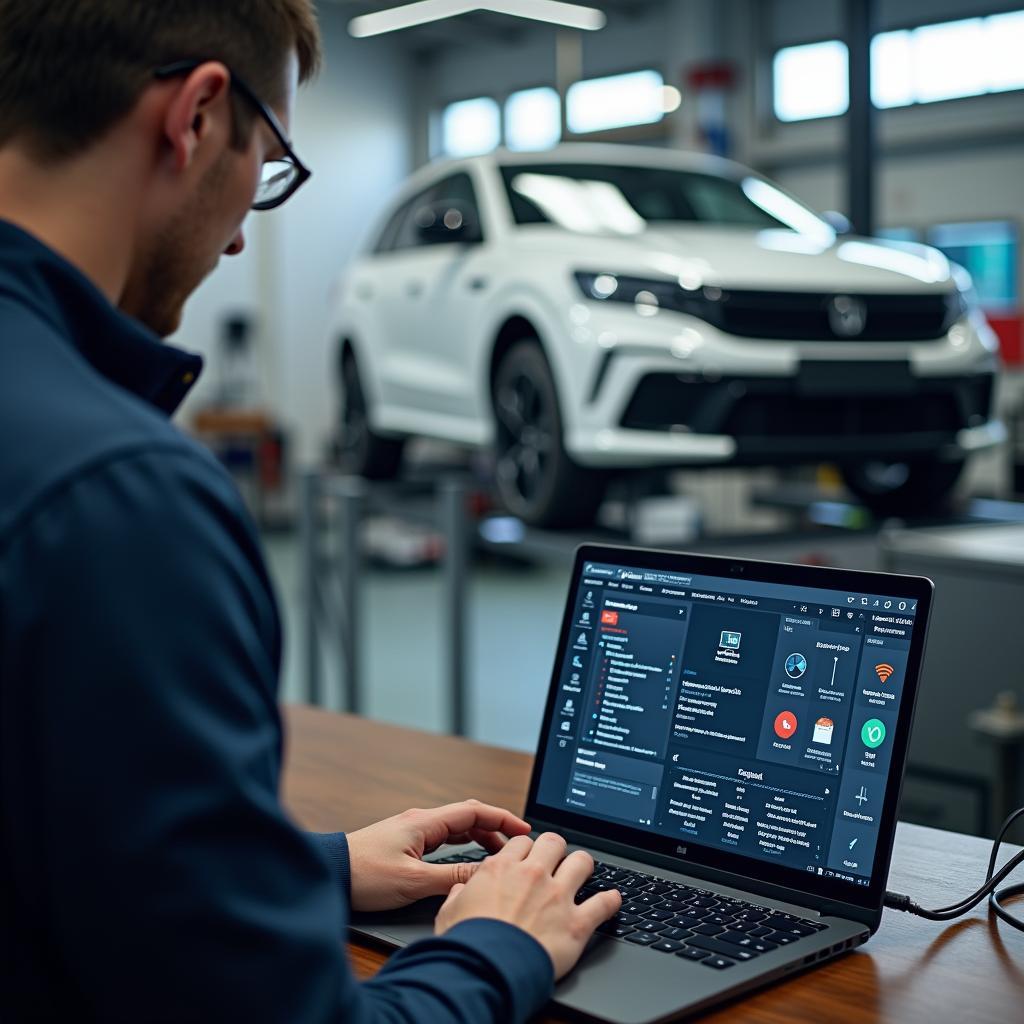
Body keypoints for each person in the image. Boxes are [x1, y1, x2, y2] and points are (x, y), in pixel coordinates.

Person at [0, 3, 620, 1021]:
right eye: (269, 164)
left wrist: (307, 867)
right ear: (196, 116)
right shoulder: (120, 500)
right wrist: (495, 946)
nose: (243, 234)